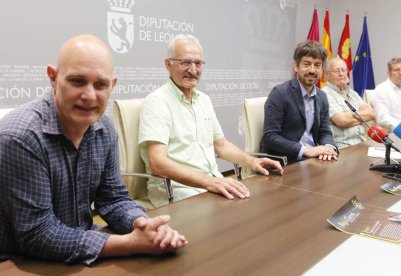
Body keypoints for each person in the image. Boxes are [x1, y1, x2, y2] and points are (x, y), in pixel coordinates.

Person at [0, 34, 187, 265]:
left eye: (100, 84)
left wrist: (140, 223)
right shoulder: (20, 136)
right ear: (53, 78)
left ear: (113, 85)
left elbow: (113, 198)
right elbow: (38, 234)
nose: (89, 96)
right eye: (77, 81)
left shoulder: (105, 129)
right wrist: (130, 244)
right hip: (20, 261)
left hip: (80, 248)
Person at [138, 34, 284, 208]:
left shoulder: (203, 100)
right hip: (178, 192)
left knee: (261, 207)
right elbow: (157, 163)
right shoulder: (157, 102)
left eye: (198, 63)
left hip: (210, 185)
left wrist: (252, 162)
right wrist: (208, 182)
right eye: (185, 62)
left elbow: (220, 145)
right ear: (168, 64)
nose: (193, 70)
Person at [260, 40, 338, 163]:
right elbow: (270, 137)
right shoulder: (279, 93)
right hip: (285, 161)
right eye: (307, 64)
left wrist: (328, 147)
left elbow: (325, 132)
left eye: (317, 65)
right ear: (296, 66)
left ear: (322, 69)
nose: (312, 70)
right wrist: (306, 150)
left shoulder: (322, 96)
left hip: (313, 160)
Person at [322, 58, 376, 149]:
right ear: (327, 75)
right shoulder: (324, 93)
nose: (341, 74)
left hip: (362, 143)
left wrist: (349, 117)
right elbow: (342, 120)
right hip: (342, 147)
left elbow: (371, 114)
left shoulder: (352, 93)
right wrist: (362, 117)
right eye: (336, 71)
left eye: (343, 70)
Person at [373, 57, 401, 130]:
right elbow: (382, 118)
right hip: (399, 133)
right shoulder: (381, 89)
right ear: (389, 73)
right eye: (397, 70)